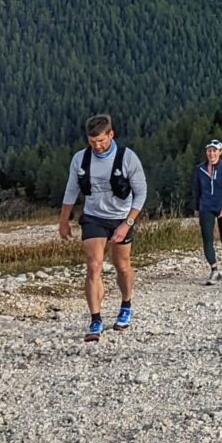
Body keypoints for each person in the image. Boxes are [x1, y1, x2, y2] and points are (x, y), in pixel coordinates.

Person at [57, 114, 147, 342]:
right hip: (94, 216)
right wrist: (63, 221)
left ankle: (126, 304)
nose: (97, 146)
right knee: (93, 264)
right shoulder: (80, 159)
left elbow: (141, 193)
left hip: (121, 217)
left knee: (122, 265)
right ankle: (95, 318)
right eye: (92, 142)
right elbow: (71, 190)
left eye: (102, 141)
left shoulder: (127, 158)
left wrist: (127, 224)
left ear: (111, 134)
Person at [193, 138, 222, 285]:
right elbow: (196, 189)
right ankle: (214, 271)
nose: (211, 153)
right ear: (206, 152)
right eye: (209, 151)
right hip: (206, 207)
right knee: (207, 240)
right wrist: (196, 207)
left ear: (220, 152)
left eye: (214, 150)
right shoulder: (200, 169)